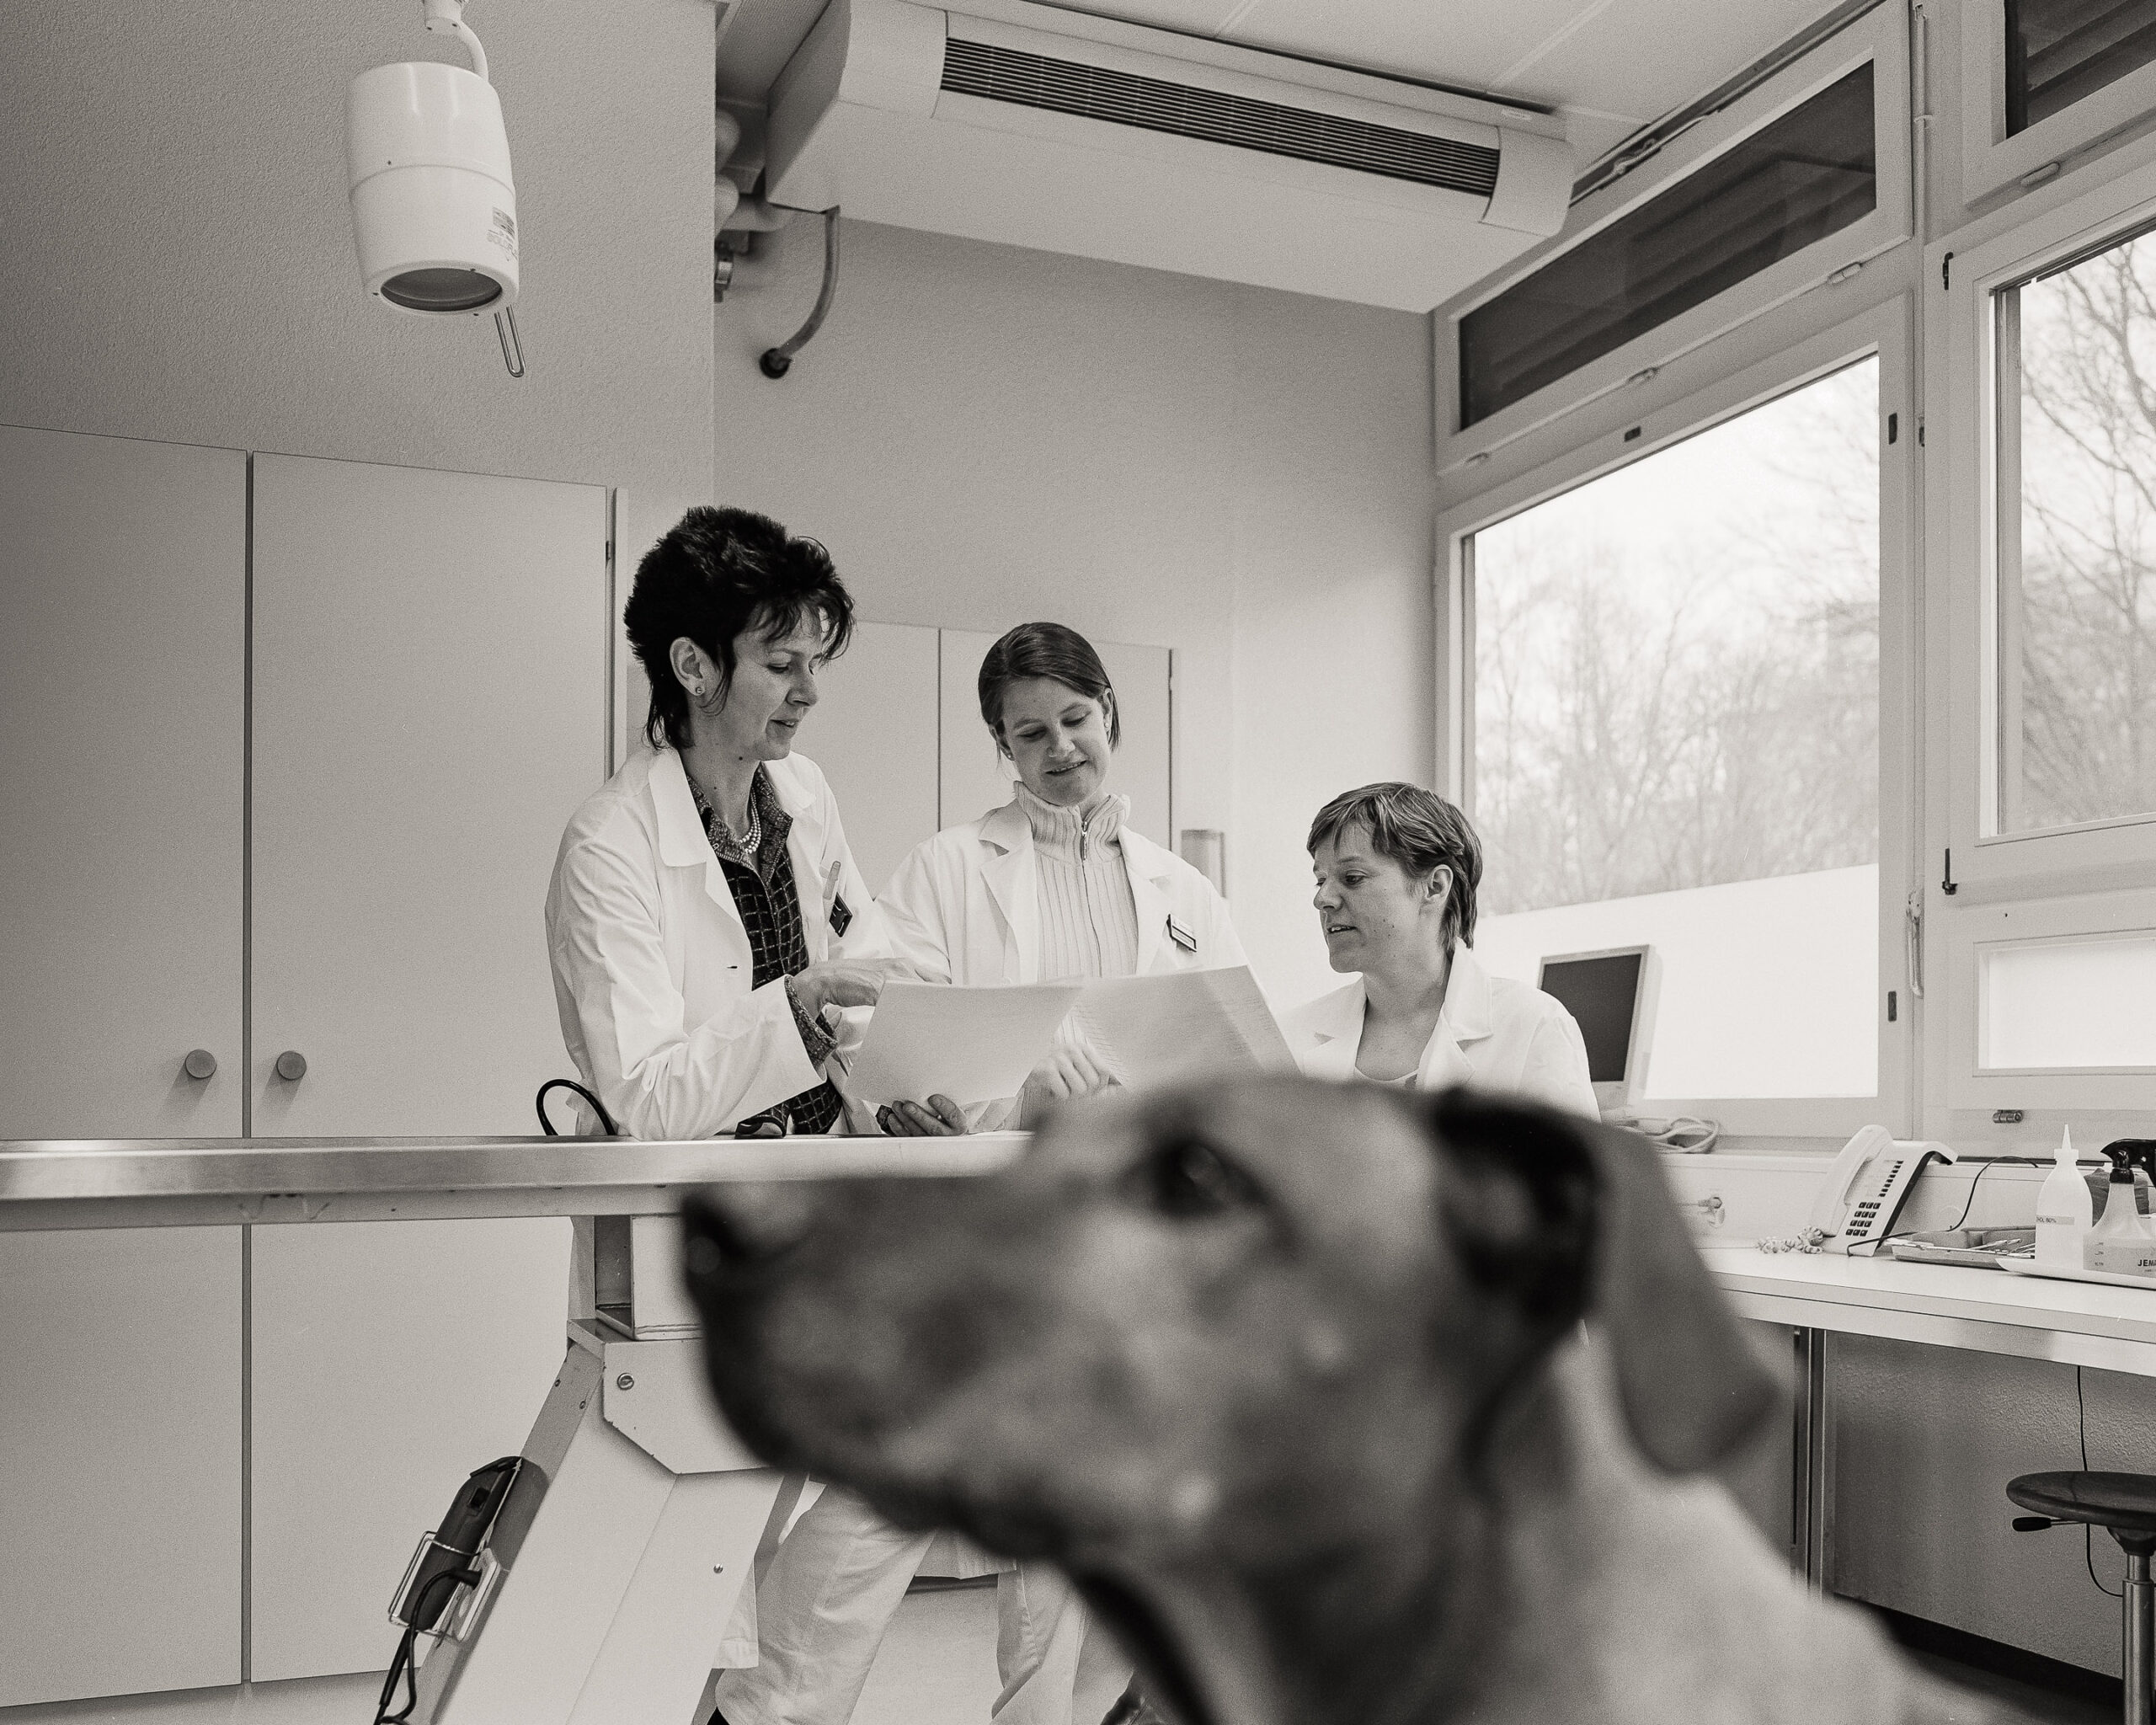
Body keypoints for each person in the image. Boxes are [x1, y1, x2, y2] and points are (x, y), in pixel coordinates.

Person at [712, 622, 1245, 1725]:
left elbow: (1227, 1052)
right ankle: (766, 1710)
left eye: (1075, 720)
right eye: (1028, 733)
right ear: (1001, 747)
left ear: (1110, 713)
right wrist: (954, 1104)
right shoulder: (950, 868)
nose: (1059, 749)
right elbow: (877, 1027)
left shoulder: (1184, 891)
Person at [545, 503, 959, 1142]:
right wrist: (806, 995)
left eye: (814, 664)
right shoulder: (609, 847)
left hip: (823, 1167)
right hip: (691, 1191)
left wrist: (903, 1101)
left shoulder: (805, 794)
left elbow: (864, 980)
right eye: (780, 666)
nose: (809, 692)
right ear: (694, 667)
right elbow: (647, 1103)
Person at [1283, 781, 1597, 1117]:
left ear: (1435, 887)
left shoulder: (1534, 1027)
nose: (1323, 899)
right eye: (1321, 880)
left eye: (1353, 878)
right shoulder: (1288, 1036)